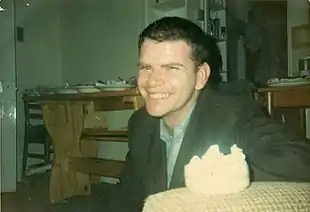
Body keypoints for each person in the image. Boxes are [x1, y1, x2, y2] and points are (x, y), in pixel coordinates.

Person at [105, 16, 310, 212]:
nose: (152, 81)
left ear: (201, 76)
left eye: (171, 68)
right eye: (147, 67)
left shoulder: (233, 114)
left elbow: (301, 161)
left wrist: (226, 173)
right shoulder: (141, 123)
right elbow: (129, 197)